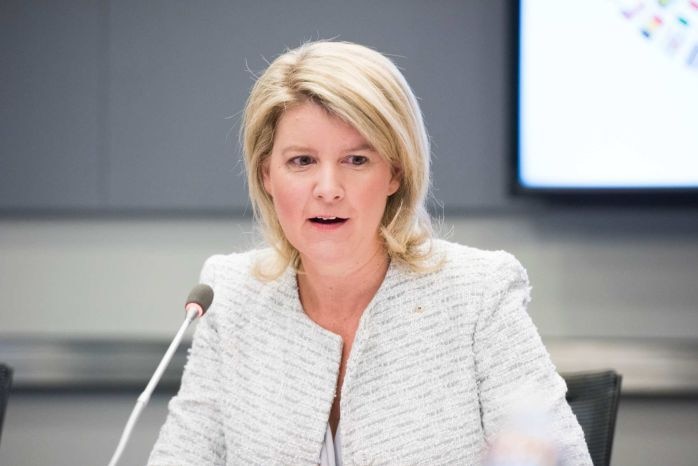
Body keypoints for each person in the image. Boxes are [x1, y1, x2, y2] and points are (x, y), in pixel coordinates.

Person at [148, 41, 592, 465]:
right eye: (301, 161)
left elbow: (561, 458)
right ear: (267, 175)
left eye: (356, 160)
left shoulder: (478, 293)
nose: (328, 190)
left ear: (395, 173)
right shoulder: (230, 295)